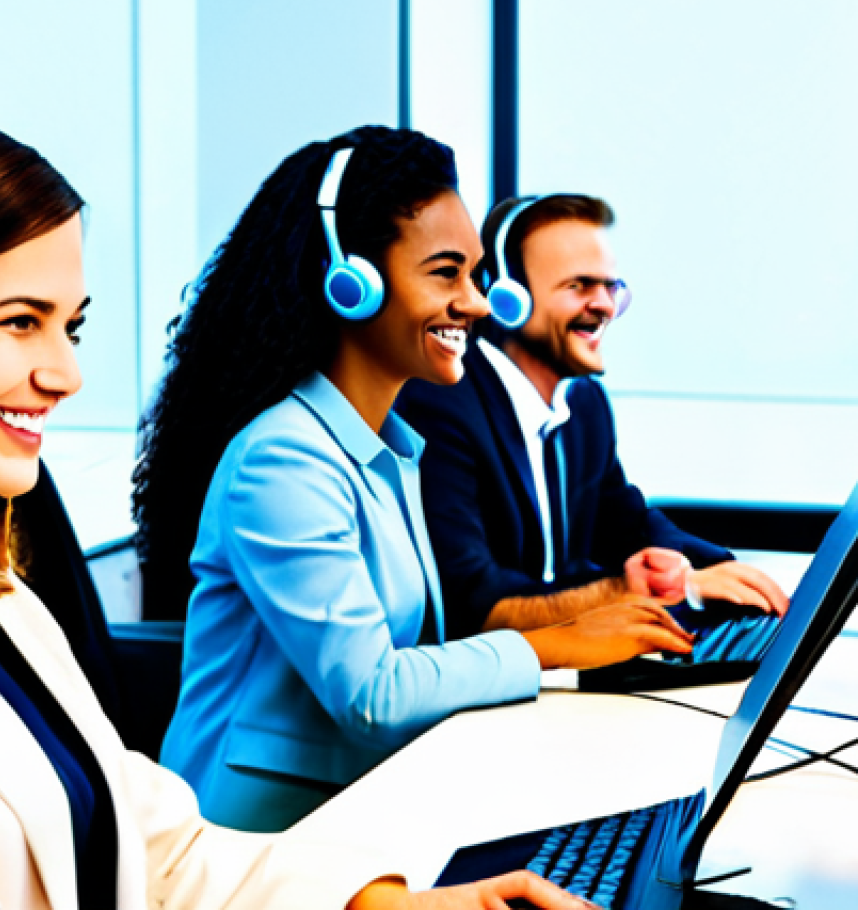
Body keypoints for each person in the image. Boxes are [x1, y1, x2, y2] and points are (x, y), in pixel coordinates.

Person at [0, 99, 596, 910]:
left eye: (71, 329)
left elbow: (152, 847)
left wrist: (391, 907)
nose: (65, 375)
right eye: (21, 324)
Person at [134, 130, 693, 836]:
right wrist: (562, 639)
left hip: (356, 814)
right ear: (352, 280)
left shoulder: (385, 450)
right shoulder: (282, 462)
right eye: (445, 273)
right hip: (248, 849)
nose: (480, 304)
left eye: (475, 273)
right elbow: (371, 691)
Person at [396, 194, 788, 640]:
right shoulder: (440, 405)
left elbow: (628, 525)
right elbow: (474, 604)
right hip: (479, 683)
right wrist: (663, 589)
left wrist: (721, 573)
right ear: (507, 298)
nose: (604, 305)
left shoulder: (584, 405)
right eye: (579, 286)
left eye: (610, 286)